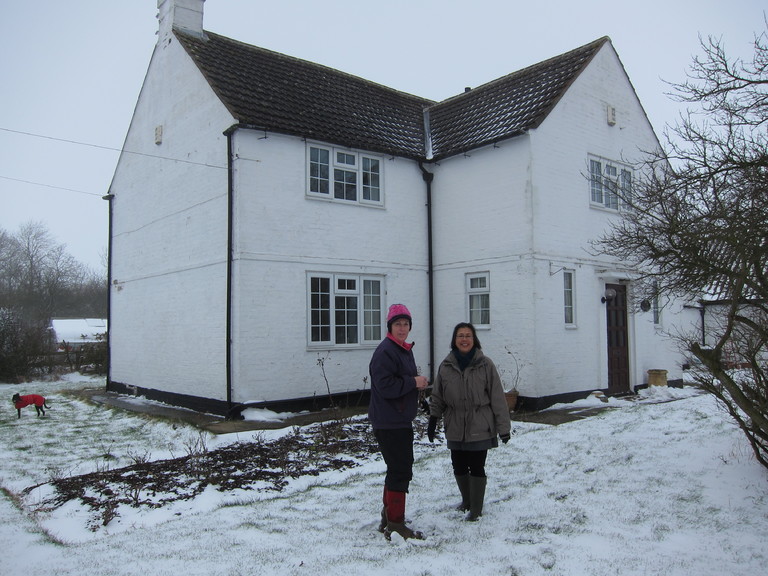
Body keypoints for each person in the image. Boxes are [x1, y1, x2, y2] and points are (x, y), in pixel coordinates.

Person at [427, 322, 511, 521]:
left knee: (476, 466)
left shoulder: (485, 365)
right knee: (458, 465)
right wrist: (433, 418)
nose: (464, 339)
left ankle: (476, 509)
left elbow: (497, 397)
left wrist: (503, 428)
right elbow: (438, 395)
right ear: (454, 341)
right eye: (460, 336)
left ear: (474, 340)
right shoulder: (446, 366)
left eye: (468, 336)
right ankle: (467, 500)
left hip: (480, 424)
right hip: (455, 424)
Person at [368, 303, 429, 540]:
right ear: (390, 327)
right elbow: (385, 386)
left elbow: (398, 381)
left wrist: (416, 387)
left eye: (406, 324)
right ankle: (395, 523)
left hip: (397, 419)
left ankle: (389, 516)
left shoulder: (402, 349)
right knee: (400, 470)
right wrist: (414, 382)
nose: (402, 328)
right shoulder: (386, 351)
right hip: (389, 421)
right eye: (398, 324)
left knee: (397, 469)